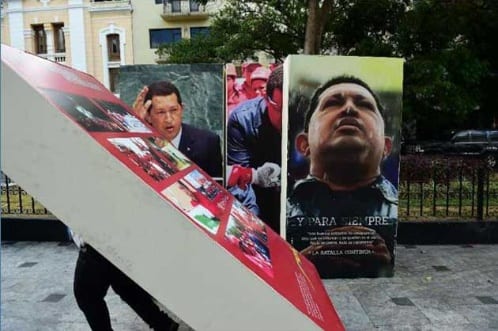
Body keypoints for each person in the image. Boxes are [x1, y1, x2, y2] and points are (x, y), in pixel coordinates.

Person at [73, 81, 222, 331]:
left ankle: (163, 325)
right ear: (149, 115)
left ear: (182, 109)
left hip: (181, 236)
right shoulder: (136, 141)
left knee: (102, 281)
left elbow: (217, 198)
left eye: (174, 110)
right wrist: (130, 126)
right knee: (99, 281)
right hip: (137, 230)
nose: (169, 119)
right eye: (161, 113)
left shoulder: (206, 142)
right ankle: (164, 325)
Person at [286, 75, 398, 278]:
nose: (349, 109)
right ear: (304, 144)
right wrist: (304, 266)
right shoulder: (281, 209)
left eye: (364, 105)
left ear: (386, 146)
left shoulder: (398, 211)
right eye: (333, 103)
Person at [226, 65, 283, 233]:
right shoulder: (242, 119)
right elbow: (240, 181)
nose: (288, 117)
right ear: (266, 97)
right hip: (259, 204)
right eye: (280, 109)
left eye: (293, 109)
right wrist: (252, 225)